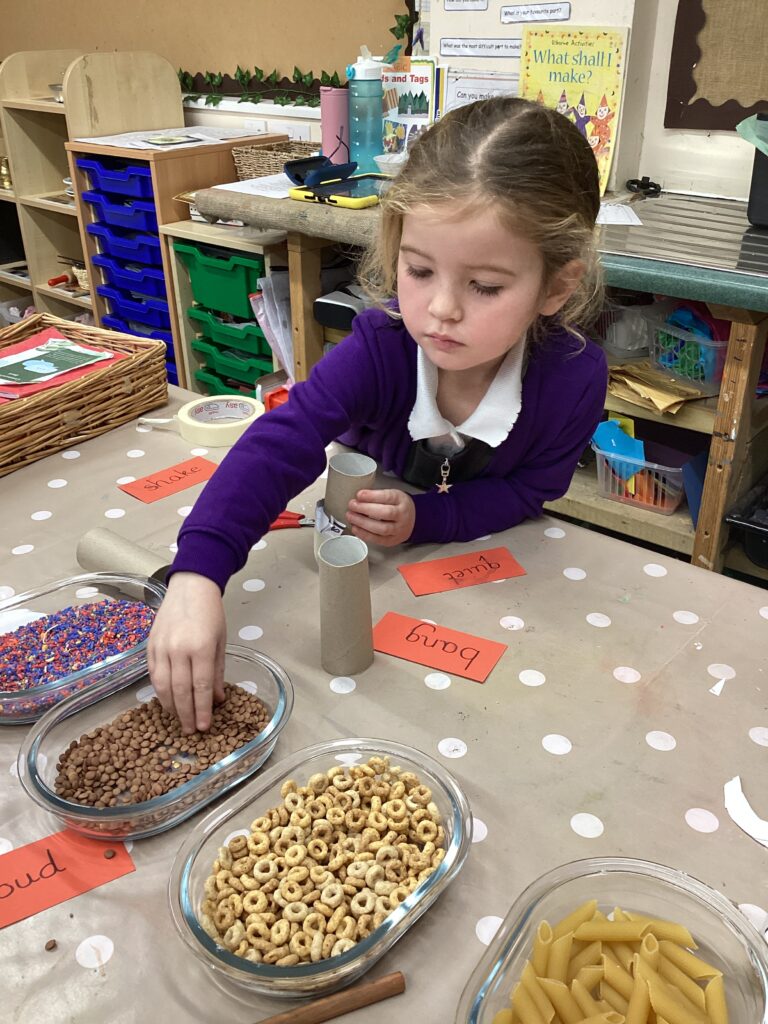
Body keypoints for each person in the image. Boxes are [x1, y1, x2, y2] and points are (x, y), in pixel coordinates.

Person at [149, 96, 608, 733]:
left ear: (555, 287)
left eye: (485, 286)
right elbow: (281, 442)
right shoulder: (379, 347)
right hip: (361, 556)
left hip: (491, 592)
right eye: (418, 271)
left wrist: (429, 516)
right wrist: (196, 575)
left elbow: (531, 491)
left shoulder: (573, 379)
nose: (441, 309)